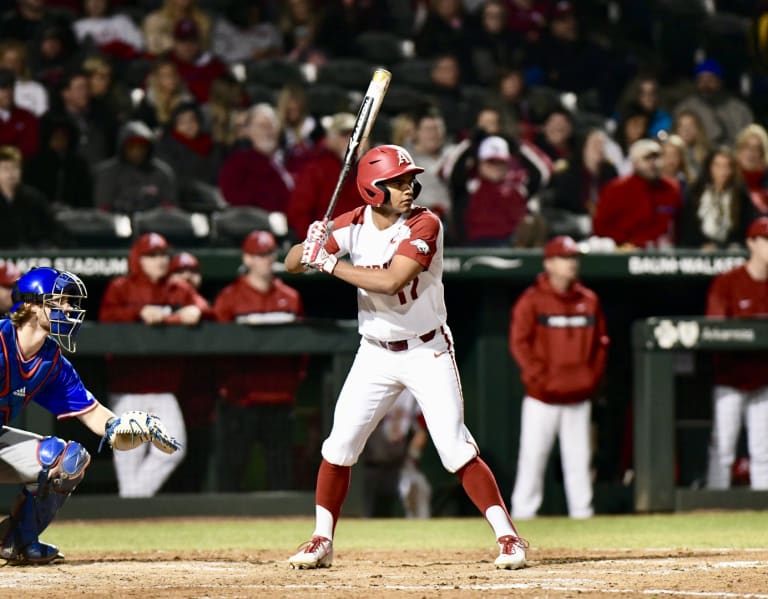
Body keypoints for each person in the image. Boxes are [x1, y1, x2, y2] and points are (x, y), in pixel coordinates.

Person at [284, 144, 528, 570]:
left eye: (408, 180)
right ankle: (321, 539)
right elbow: (291, 264)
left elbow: (392, 281)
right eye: (396, 182)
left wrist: (327, 264)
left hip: (426, 350)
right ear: (372, 190)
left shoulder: (425, 222)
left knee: (454, 449)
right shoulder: (353, 223)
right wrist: (312, 241)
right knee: (338, 445)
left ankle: (509, 537)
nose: (408, 188)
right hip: (375, 352)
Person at [0, 266, 180, 565]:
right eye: (60, 301)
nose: (70, 309)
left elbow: (95, 415)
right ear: (32, 304)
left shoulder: (51, 362)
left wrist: (126, 426)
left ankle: (19, 542)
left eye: (71, 302)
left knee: (68, 460)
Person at [99, 233, 208, 497]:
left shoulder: (176, 288)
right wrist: (138, 313)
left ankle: (130, 503)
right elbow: (106, 318)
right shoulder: (121, 287)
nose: (159, 261)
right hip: (128, 390)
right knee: (129, 461)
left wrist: (198, 310)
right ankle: (132, 508)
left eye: (162, 255)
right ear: (138, 259)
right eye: (152, 255)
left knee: (173, 448)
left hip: (163, 389)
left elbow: (203, 306)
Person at [509, 236, 609, 520]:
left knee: (579, 463)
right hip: (542, 398)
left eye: (574, 258)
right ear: (549, 263)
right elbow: (519, 343)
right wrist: (540, 378)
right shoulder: (532, 301)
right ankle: (522, 519)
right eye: (565, 258)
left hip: (578, 397)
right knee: (532, 461)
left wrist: (590, 379)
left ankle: (583, 517)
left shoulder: (589, 300)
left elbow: (601, 345)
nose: (571, 264)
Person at [212, 230, 305, 491]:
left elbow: (302, 350)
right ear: (247, 258)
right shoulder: (229, 297)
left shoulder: (290, 296)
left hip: (279, 396)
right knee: (232, 468)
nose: (266, 260)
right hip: (241, 398)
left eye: (269, 254)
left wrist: (294, 382)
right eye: (259, 255)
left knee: (280, 470)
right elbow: (216, 347)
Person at [705, 217, 768, 490]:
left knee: (763, 451)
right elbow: (715, 329)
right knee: (723, 449)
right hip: (730, 380)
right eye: (766, 241)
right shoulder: (728, 282)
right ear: (751, 244)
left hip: (764, 380)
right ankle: (714, 507)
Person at [592, 138, 683, 249]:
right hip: (624, 253)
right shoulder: (616, 189)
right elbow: (600, 227)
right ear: (634, 163)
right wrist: (625, 242)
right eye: (647, 159)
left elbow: (680, 225)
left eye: (657, 157)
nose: (653, 163)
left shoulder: (672, 188)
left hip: (662, 255)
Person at [361, 388, 431, 519]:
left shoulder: (414, 390)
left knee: (416, 489)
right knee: (370, 509)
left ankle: (417, 527)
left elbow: (421, 430)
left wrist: (412, 456)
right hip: (373, 458)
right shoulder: (377, 385)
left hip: (400, 459)